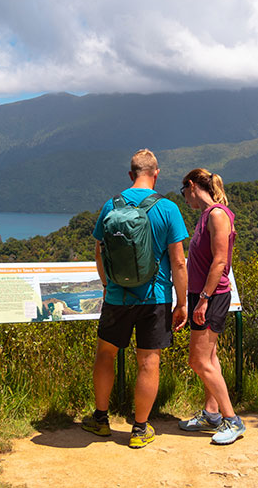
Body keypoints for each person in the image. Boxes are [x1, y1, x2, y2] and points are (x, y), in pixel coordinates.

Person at [81, 149, 189, 449]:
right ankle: (139, 429)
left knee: (106, 354)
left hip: (118, 296)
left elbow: (100, 252)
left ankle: (100, 420)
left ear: (130, 175)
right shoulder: (168, 209)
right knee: (148, 362)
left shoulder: (110, 205)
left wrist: (107, 286)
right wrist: (181, 303)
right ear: (156, 174)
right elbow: (179, 263)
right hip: (154, 298)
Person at [177, 168, 246, 445]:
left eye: (184, 193)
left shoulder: (217, 215)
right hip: (202, 294)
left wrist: (203, 299)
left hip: (211, 296)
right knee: (211, 358)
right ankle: (211, 413)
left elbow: (220, 262)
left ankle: (233, 421)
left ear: (192, 186)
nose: (185, 200)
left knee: (199, 360)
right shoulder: (207, 216)